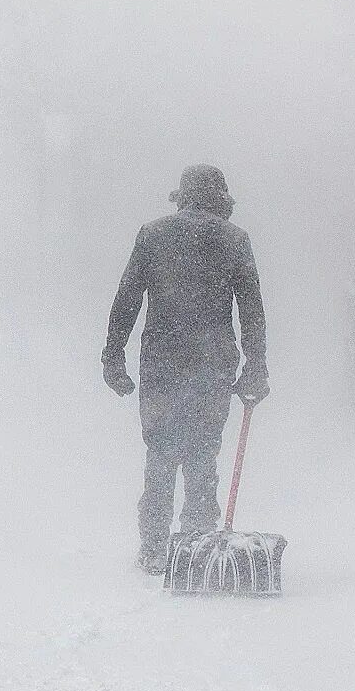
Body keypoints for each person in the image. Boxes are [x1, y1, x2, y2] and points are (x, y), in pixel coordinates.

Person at [102, 164, 268, 575]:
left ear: (181, 196)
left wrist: (114, 356)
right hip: (212, 365)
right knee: (202, 452)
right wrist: (256, 367)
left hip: (162, 362)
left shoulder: (153, 236)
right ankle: (195, 542)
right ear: (220, 198)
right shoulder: (234, 241)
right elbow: (251, 312)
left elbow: (127, 299)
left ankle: (155, 546)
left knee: (160, 452)